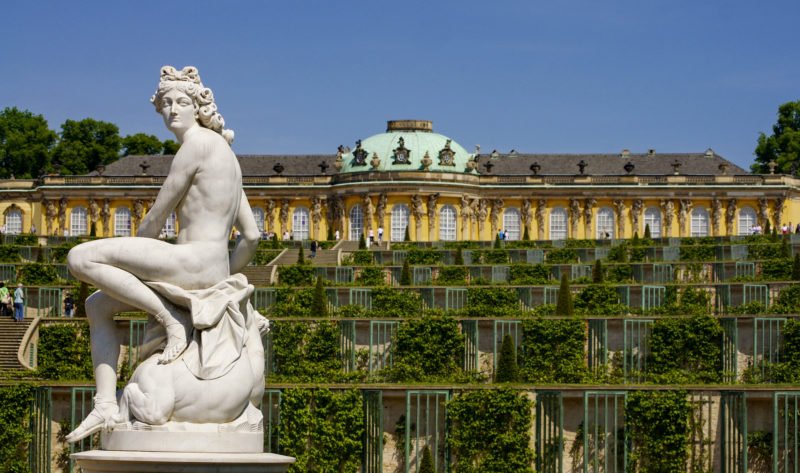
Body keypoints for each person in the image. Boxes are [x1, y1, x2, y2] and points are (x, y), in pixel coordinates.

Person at [64, 66, 260, 442]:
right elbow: (251, 236)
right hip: (210, 268)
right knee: (97, 305)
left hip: (189, 261)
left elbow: (156, 217)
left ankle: (169, 318)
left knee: (80, 258)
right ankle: (105, 405)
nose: (172, 110)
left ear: (198, 106)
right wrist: (222, 284)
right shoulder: (228, 155)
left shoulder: (196, 145)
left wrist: (136, 265)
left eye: (181, 102)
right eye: (165, 104)